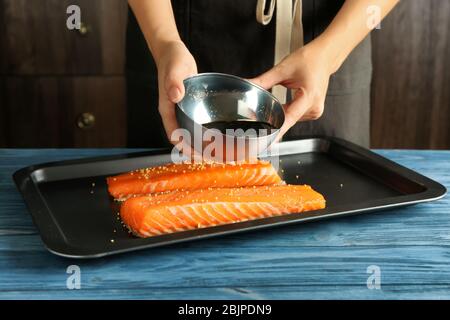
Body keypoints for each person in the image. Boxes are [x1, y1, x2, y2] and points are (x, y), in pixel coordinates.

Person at [126, 0, 398, 148]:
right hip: (177, 34)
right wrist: (164, 42)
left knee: (333, 223)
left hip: (332, 34)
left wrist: (329, 54)